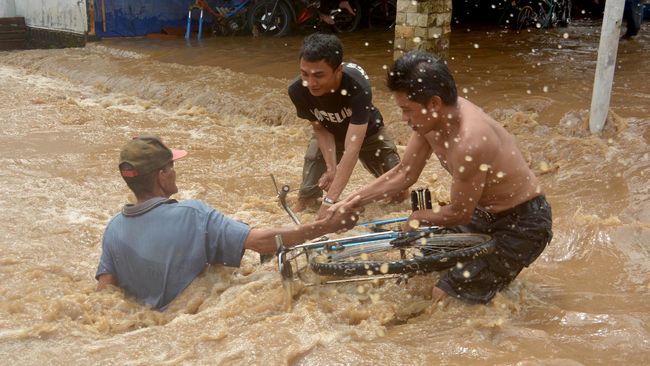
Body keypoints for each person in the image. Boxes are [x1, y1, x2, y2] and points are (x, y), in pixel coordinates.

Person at [330, 51, 553, 304]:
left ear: (434, 103)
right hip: (484, 212)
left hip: (523, 223)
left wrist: (419, 217)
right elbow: (404, 173)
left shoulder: (470, 141)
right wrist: (353, 201)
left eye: (407, 110)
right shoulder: (430, 121)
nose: (404, 119)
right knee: (423, 262)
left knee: (444, 296)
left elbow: (460, 213)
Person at [95, 135, 362, 310]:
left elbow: (105, 295)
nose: (175, 171)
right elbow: (262, 242)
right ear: (162, 176)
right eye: (171, 167)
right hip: (191, 321)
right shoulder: (193, 214)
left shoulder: (114, 229)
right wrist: (327, 226)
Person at [288, 33, 402, 218]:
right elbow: (319, 129)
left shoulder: (357, 86)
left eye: (318, 75)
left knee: (398, 192)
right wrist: (332, 168)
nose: (310, 83)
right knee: (306, 199)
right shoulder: (297, 90)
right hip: (329, 131)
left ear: (338, 70)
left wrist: (330, 201)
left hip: (368, 133)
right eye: (304, 74)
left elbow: (352, 149)